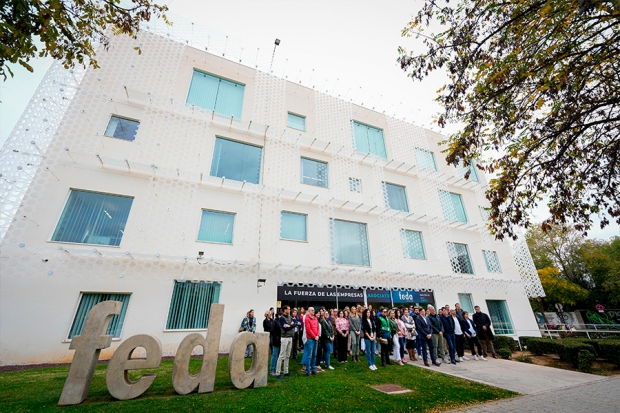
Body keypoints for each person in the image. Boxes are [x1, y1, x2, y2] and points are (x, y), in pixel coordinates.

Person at [275, 306, 294, 379]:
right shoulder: (282, 318)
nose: (289, 310)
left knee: (288, 355)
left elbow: (294, 324)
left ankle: (286, 371)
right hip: (284, 338)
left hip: (290, 337)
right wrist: (291, 325)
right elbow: (285, 328)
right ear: (285, 310)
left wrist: (290, 325)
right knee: (282, 355)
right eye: (288, 309)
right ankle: (278, 373)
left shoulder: (289, 317)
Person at [302, 307, 320, 376]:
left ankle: (313, 369)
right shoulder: (307, 319)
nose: (313, 311)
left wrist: (317, 335)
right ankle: (307, 371)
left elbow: (318, 328)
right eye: (312, 310)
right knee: (309, 356)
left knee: (314, 355)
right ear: (309, 311)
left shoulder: (315, 319)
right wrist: (314, 336)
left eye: (314, 310)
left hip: (316, 338)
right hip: (310, 339)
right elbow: (308, 330)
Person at [270, 310, 282, 377]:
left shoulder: (280, 321)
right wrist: (277, 338)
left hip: (280, 340)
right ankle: (272, 369)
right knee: (274, 355)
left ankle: (277, 368)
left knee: (279, 355)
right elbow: (273, 332)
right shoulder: (275, 322)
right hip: (276, 340)